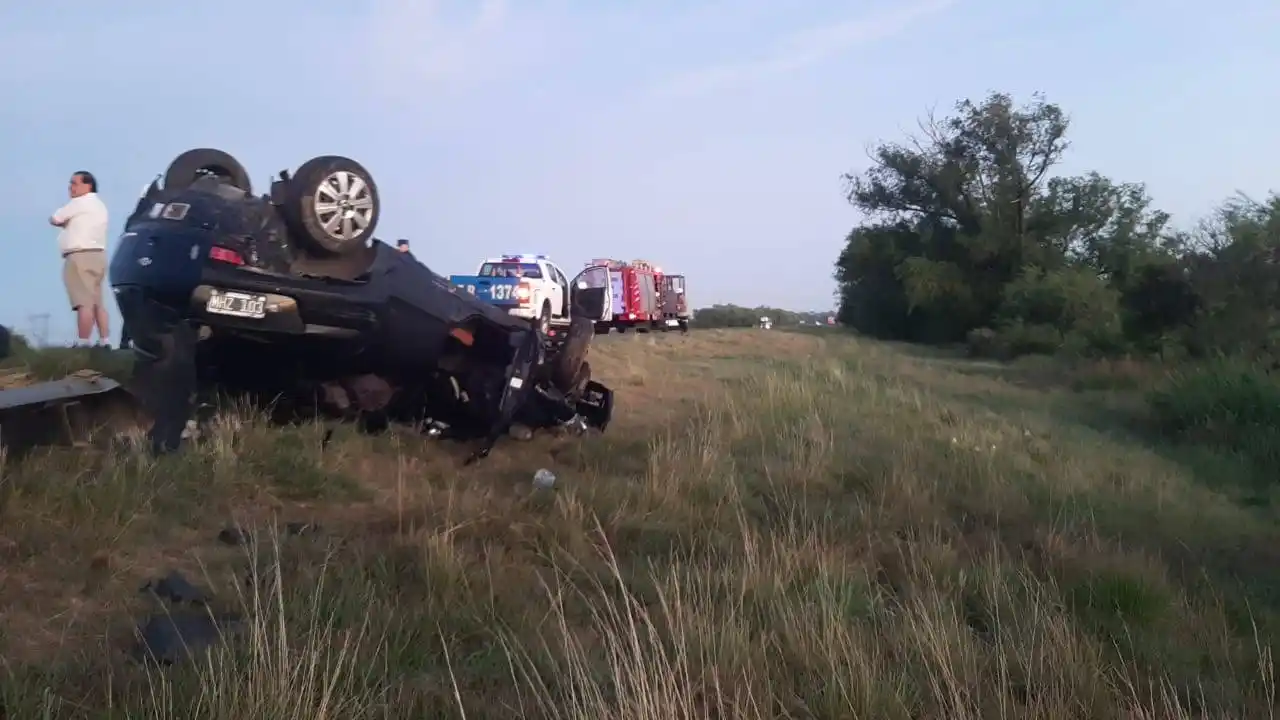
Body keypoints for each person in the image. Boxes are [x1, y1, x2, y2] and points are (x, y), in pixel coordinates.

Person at [50, 171, 111, 347]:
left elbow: (55, 218)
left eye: (75, 183)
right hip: (99, 255)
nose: (71, 187)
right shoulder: (100, 205)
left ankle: (83, 341)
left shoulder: (79, 203)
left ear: (88, 186)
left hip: (79, 255)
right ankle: (104, 340)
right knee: (97, 302)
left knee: (83, 302)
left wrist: (64, 223)